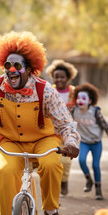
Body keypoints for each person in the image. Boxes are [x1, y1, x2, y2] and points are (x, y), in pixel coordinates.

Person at [0, 31, 80, 215]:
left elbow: (65, 123)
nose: (11, 70)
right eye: (7, 65)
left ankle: (51, 211)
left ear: (29, 69)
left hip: (43, 140)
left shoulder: (46, 90)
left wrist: (70, 142)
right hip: (9, 141)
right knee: (5, 174)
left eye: (17, 66)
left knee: (51, 165)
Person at [73, 82, 108, 200]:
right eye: (78, 98)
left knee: (95, 165)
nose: (80, 100)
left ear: (90, 101)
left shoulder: (94, 111)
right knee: (82, 160)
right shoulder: (74, 111)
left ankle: (98, 190)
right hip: (84, 142)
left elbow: (104, 123)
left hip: (96, 142)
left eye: (84, 98)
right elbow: (66, 121)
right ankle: (89, 180)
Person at [45, 59, 78, 196]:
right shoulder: (49, 91)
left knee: (67, 160)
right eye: (56, 76)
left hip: (70, 130)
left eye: (62, 77)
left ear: (68, 78)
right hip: (54, 130)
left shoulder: (73, 92)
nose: (59, 79)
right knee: (56, 158)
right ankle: (58, 183)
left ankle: (65, 182)